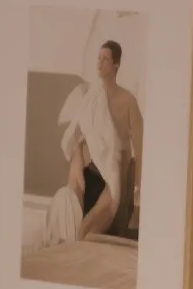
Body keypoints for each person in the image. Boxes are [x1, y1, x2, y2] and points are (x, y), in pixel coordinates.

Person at [59, 39, 144, 241]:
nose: (100, 62)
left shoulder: (128, 101)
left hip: (112, 176)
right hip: (90, 172)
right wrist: (78, 152)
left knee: (83, 234)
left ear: (116, 64)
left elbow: (140, 150)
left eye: (105, 59)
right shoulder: (92, 96)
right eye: (98, 58)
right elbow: (76, 133)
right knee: (78, 154)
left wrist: (137, 197)